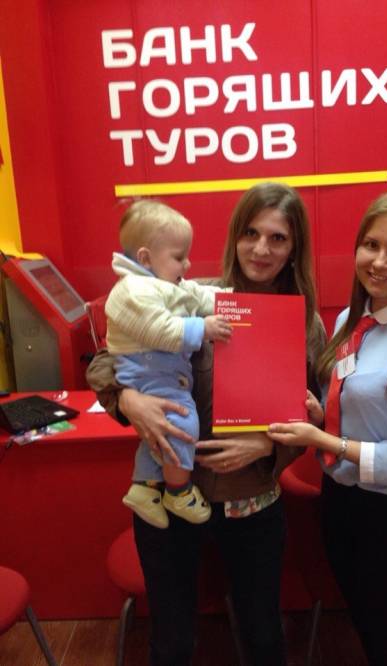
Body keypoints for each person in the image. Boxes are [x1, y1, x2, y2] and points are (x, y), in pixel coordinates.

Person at [86, 182, 326, 666]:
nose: (261, 249)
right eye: (251, 233)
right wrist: (128, 399)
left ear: (294, 247)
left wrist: (267, 447)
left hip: (253, 503)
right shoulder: (192, 296)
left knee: (263, 636)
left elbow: (314, 414)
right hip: (173, 496)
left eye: (277, 238)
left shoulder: (307, 324)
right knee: (172, 641)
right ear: (236, 236)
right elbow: (107, 358)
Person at [269, 190, 387, 666]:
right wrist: (321, 415)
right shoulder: (351, 322)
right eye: (371, 245)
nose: (379, 261)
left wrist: (326, 441)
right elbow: (356, 408)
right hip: (343, 504)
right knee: (369, 632)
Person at [105, 200, 232, 529]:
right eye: (179, 257)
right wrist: (202, 328)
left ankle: (145, 487)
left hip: (161, 370)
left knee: (160, 432)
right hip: (146, 368)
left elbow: (198, 295)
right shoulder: (132, 290)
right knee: (181, 422)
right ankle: (178, 491)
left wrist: (234, 301)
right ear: (146, 258)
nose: (187, 264)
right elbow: (158, 330)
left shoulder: (166, 284)